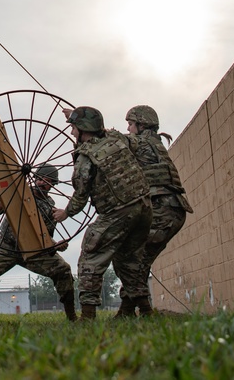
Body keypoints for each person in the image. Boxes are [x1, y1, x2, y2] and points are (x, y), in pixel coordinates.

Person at [52, 107, 151, 321]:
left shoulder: (85, 157)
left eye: (73, 128)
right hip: (144, 207)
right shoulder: (117, 138)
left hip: (118, 211)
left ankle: (87, 317)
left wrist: (65, 213)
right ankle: (146, 311)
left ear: (82, 129)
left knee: (90, 257)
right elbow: (117, 136)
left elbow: (81, 193)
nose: (71, 132)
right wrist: (77, 116)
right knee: (130, 261)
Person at [0, 164, 76, 322]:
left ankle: (72, 316)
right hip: (6, 247)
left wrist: (56, 245)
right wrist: (10, 195)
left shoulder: (50, 208)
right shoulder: (18, 192)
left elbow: (45, 239)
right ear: (35, 178)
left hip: (34, 252)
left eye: (49, 183)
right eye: (41, 180)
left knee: (63, 270)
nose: (43, 184)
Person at [120, 105, 193, 317]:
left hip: (165, 211)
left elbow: (113, 141)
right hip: (170, 210)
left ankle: (136, 310)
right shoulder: (154, 143)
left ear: (142, 125)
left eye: (131, 124)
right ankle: (132, 310)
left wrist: (84, 119)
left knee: (136, 259)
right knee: (139, 259)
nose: (128, 128)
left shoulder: (142, 143)